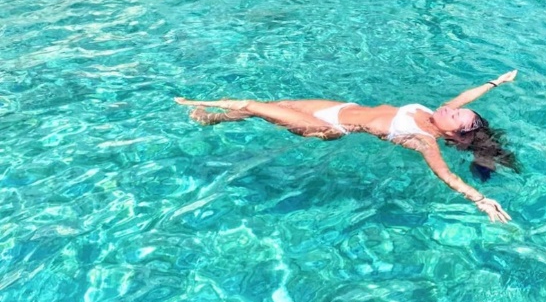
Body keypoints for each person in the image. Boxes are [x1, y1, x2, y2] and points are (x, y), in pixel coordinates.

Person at [175, 70, 519, 223]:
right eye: (456, 110)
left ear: (453, 137)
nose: (452, 108)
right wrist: (496, 82)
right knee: (277, 103)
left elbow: (445, 175)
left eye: (456, 116)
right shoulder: (431, 114)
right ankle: (212, 120)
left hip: (328, 126)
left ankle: (190, 103)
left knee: (250, 105)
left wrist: (480, 199)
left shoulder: (424, 140)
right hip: (339, 106)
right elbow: (464, 96)